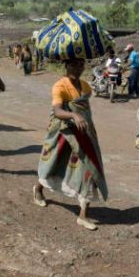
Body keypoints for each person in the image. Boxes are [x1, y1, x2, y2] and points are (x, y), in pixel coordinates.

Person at [33, 58, 108, 230]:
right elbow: (58, 110)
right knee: (53, 165)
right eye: (74, 64)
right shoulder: (59, 86)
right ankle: (38, 188)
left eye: (81, 64)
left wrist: (80, 117)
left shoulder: (86, 87)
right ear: (66, 65)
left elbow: (84, 109)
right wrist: (73, 115)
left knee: (89, 169)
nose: (78, 68)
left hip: (84, 134)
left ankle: (83, 215)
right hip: (64, 135)